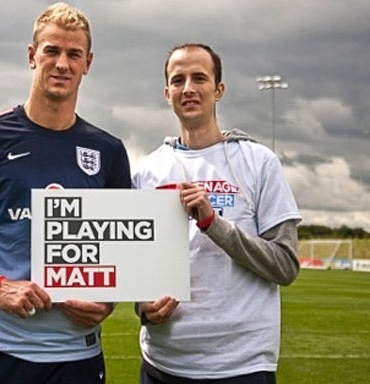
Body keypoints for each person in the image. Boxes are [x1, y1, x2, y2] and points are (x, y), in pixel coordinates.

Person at [0, 3, 131, 383]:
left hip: (78, 358)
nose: (62, 64)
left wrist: (107, 302)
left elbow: (121, 252)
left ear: (88, 62)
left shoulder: (108, 151)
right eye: (51, 51)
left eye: (74, 54)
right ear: (32, 55)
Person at [132, 43, 302, 384]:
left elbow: (285, 265)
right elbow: (139, 269)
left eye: (199, 78)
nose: (188, 88)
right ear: (167, 93)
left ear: (218, 89)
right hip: (162, 364)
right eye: (178, 80)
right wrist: (143, 308)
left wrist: (213, 224)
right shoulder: (147, 171)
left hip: (241, 365)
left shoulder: (258, 162)